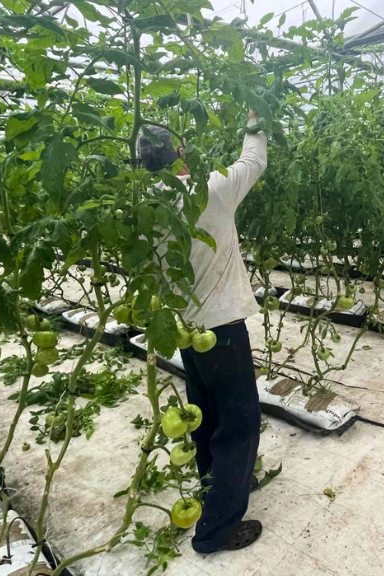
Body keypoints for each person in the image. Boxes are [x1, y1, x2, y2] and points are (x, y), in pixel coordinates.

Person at [138, 110, 267, 552]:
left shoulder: (141, 204)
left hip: (183, 327)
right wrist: (254, 118)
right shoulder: (209, 189)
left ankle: (216, 485)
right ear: (179, 153)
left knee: (206, 414)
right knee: (239, 422)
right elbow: (254, 160)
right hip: (221, 326)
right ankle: (217, 530)